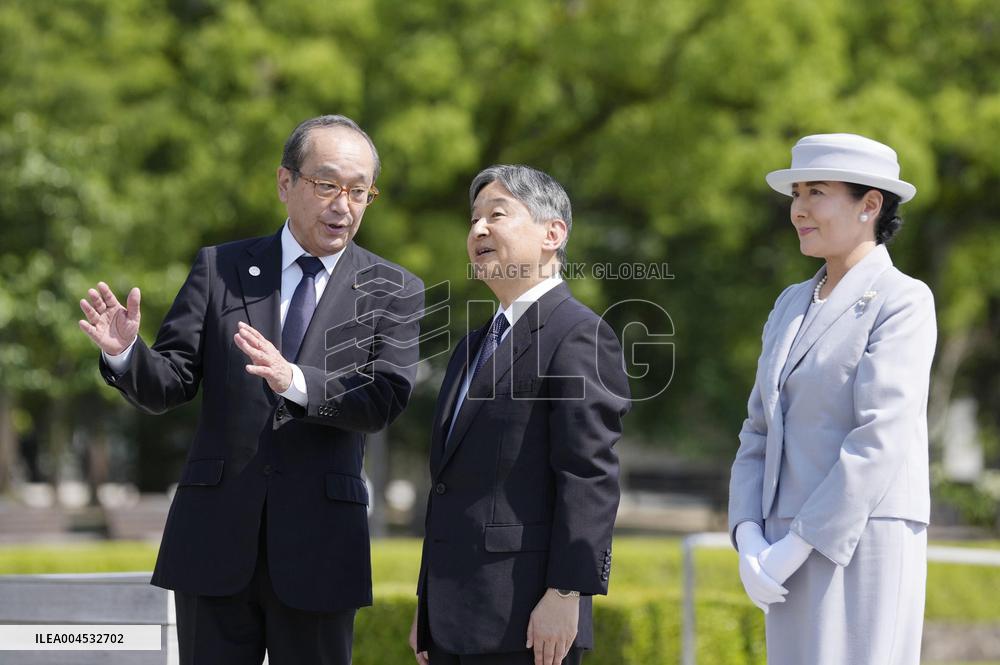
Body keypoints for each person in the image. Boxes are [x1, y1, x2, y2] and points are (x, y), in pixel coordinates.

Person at [78, 114, 425, 665]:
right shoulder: (221, 269)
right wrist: (125, 353)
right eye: (328, 184)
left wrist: (297, 382)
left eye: (360, 191)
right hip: (215, 538)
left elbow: (383, 399)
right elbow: (170, 383)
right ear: (286, 183)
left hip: (320, 547)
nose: (344, 204)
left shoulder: (393, 288)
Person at [408, 165, 631, 665]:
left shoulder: (578, 336)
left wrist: (567, 592)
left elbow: (588, 474)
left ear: (553, 234)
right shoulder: (472, 346)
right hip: (451, 620)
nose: (478, 230)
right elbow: (452, 486)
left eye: (497, 215)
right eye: (474, 220)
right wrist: (427, 601)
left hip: (528, 622)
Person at [728, 133, 937, 664]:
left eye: (815, 192)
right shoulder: (790, 302)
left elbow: (880, 435)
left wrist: (799, 544)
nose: (798, 210)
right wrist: (749, 536)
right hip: (777, 546)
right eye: (795, 194)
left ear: (870, 204)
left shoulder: (904, 299)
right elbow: (758, 427)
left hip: (862, 538)